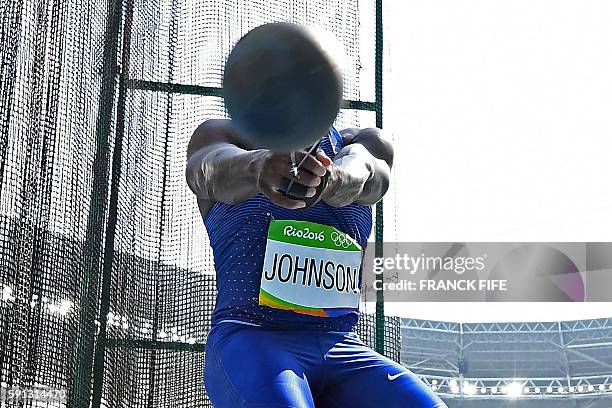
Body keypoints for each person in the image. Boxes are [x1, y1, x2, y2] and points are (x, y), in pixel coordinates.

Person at [186, 119, 446, 407]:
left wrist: (335, 178)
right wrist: (259, 167)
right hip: (251, 339)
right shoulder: (225, 135)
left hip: (343, 347)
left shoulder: (365, 142)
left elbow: (369, 171)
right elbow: (205, 169)